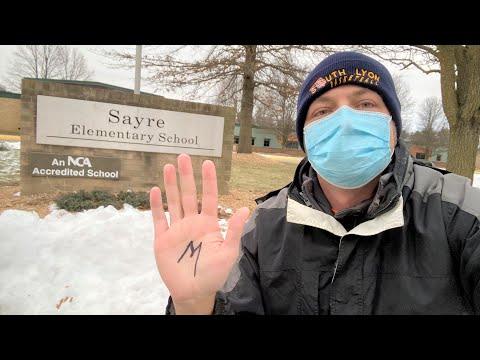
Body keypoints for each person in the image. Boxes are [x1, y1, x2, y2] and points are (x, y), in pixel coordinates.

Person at [149, 51, 480, 315]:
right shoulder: (266, 226)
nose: (345, 120)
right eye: (323, 111)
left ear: (393, 125)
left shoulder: (461, 214)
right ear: (306, 138)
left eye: (365, 104)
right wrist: (195, 305)